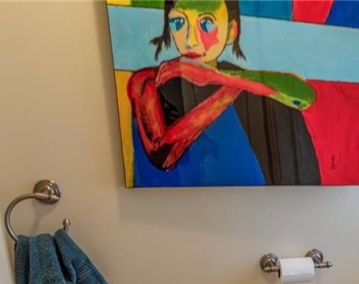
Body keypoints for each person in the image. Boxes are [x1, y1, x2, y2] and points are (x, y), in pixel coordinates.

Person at [127, 0, 321, 186]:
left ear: (231, 32)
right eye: (179, 22)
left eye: (206, 23)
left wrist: (213, 76)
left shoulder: (237, 77)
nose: (190, 39)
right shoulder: (149, 80)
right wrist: (227, 88)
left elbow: (305, 96)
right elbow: (163, 155)